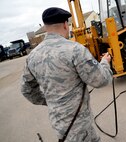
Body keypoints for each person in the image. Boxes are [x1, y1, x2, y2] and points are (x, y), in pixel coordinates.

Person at [21, 7, 112, 142]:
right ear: (65, 24)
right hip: (79, 126)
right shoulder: (75, 50)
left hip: (59, 125)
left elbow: (27, 90)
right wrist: (105, 63)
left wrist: (50, 101)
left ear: (46, 27)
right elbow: (101, 80)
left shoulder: (32, 57)